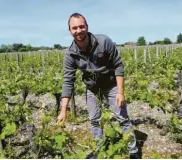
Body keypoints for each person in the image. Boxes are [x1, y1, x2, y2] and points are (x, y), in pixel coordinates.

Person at [57, 13, 139, 159]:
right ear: (70, 31)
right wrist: (63, 110)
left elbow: (118, 65)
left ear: (87, 27)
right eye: (74, 28)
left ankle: (133, 152)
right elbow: (68, 81)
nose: (79, 31)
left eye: (81, 26)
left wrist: (120, 92)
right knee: (95, 120)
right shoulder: (71, 54)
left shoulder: (103, 42)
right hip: (92, 89)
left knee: (122, 118)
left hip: (111, 85)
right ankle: (100, 151)